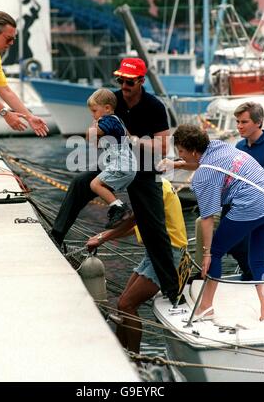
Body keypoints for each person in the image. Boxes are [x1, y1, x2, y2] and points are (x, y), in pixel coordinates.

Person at [51, 57, 179, 302]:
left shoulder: (154, 106)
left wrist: (132, 140)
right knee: (81, 183)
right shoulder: (111, 100)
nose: (124, 85)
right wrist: (94, 134)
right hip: (115, 161)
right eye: (121, 80)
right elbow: (93, 133)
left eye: (129, 81)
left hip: (143, 167)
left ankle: (172, 290)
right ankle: (56, 237)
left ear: (142, 81)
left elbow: (163, 147)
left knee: (154, 230)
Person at [173, 124, 264, 322]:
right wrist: (179, 164)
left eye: (181, 152)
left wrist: (207, 252)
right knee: (257, 261)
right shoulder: (218, 146)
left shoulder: (203, 177)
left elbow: (208, 217)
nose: (180, 155)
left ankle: (206, 307)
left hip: (250, 204)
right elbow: (207, 163)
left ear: (192, 150)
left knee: (215, 253)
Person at [86, 177, 187, 353]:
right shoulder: (154, 183)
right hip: (154, 252)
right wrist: (103, 236)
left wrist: (102, 238)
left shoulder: (154, 188)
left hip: (167, 255)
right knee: (122, 305)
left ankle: (135, 359)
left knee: (127, 305)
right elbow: (139, 224)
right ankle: (120, 353)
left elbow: (134, 220)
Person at [0, 11, 49, 217]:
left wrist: (29, 115)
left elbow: (4, 89)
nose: (12, 43)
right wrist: (6, 114)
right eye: (9, 38)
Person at [86, 88, 136, 228]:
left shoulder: (109, 121)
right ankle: (118, 208)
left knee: (95, 184)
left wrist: (94, 125)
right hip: (126, 165)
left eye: (94, 111)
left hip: (122, 164)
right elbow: (94, 142)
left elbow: (91, 136)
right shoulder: (116, 121)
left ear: (107, 108)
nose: (93, 115)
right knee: (99, 185)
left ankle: (120, 208)